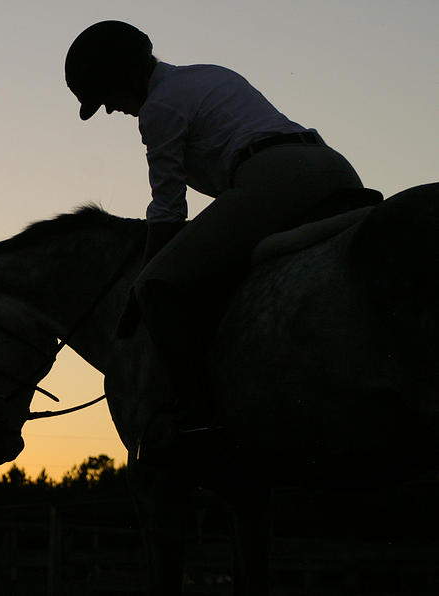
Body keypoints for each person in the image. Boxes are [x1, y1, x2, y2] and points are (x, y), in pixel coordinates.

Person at [65, 20, 366, 435]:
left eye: (108, 98)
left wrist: (143, 280)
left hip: (276, 178)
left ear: (124, 76)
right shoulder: (208, 73)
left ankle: (201, 422)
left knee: (159, 286)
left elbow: (169, 210)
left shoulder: (159, 109)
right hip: (333, 166)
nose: (113, 109)